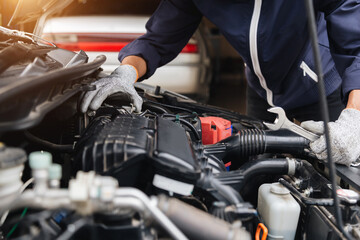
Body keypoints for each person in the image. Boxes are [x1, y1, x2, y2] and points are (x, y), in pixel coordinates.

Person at [80, 0, 360, 166]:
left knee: (328, 182)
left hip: (323, 87)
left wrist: (355, 118)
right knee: (255, 168)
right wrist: (125, 74)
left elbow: (356, 44)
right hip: (261, 93)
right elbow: (157, 39)